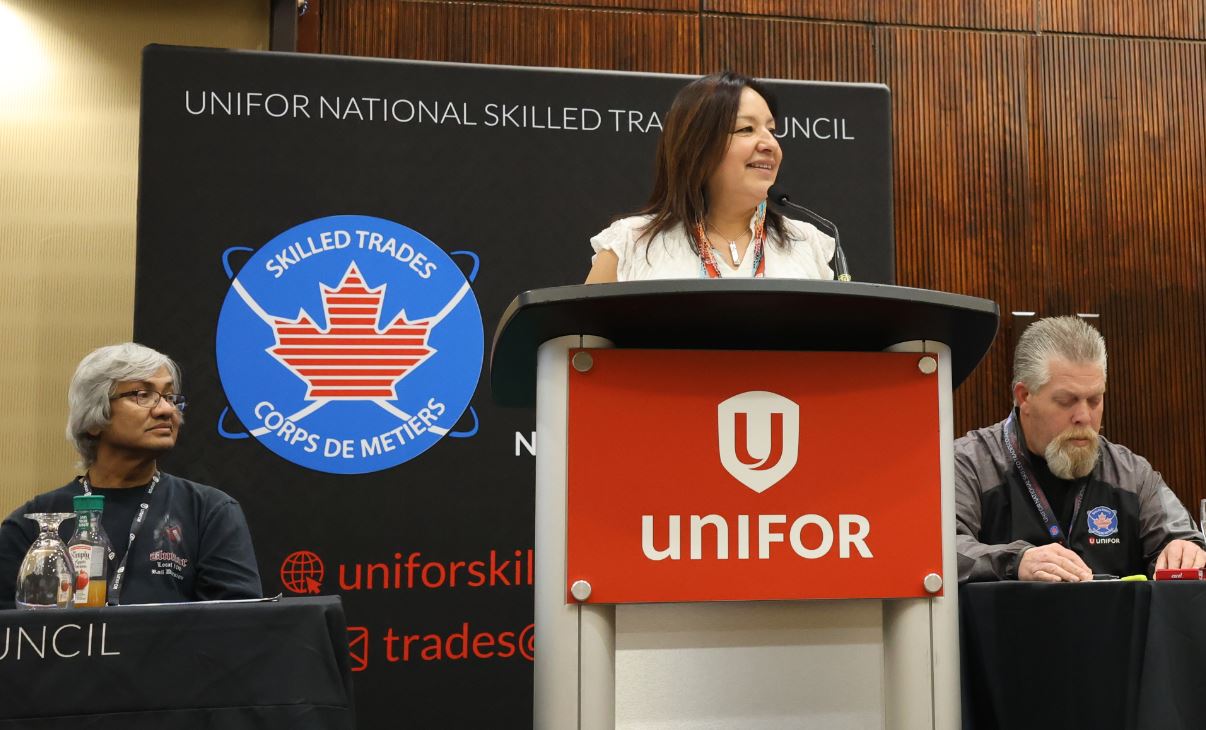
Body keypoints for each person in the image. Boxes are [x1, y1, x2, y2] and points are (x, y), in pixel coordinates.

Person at [0, 343, 262, 608]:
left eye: (170, 397)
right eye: (143, 395)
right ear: (93, 419)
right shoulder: (34, 524)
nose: (166, 410)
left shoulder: (209, 512)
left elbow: (238, 630)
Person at [955, 316, 1206, 582]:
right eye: (1067, 401)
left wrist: (1185, 550)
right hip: (1007, 622)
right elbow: (939, 551)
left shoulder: (1132, 474)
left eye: (1095, 400)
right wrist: (1015, 561)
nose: (1084, 416)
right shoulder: (969, 464)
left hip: (1111, 623)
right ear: (1024, 397)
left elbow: (1182, 538)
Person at [585, 70, 835, 283]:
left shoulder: (806, 241)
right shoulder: (631, 243)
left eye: (771, 130)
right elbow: (580, 339)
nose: (770, 144)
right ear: (697, 146)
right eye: (746, 129)